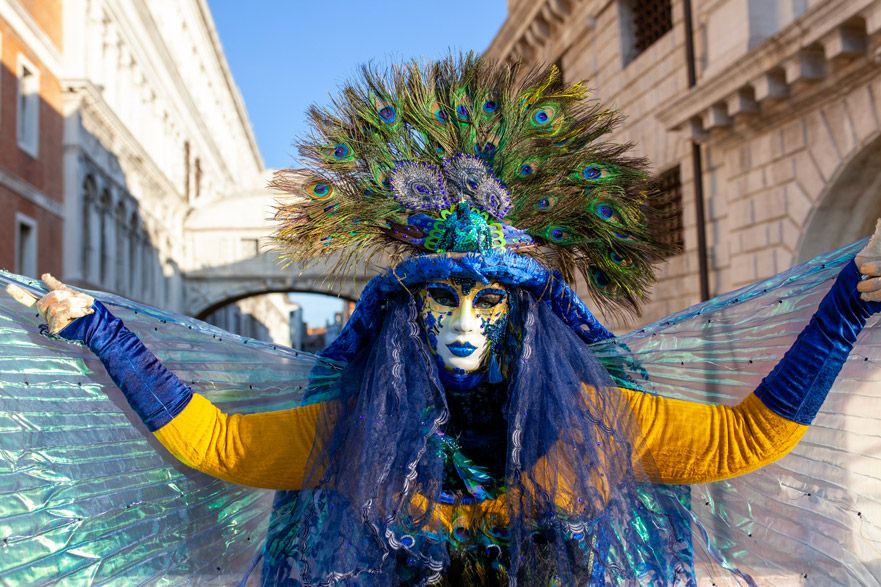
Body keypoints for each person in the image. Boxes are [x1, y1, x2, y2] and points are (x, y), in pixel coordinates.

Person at [5, 55, 881, 586]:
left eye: (487, 298)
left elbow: (744, 441)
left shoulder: (600, 426)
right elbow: (216, 446)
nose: (463, 318)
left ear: (520, 316)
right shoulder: (354, 435)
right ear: (406, 315)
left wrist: (845, 306)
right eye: (442, 298)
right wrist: (99, 330)